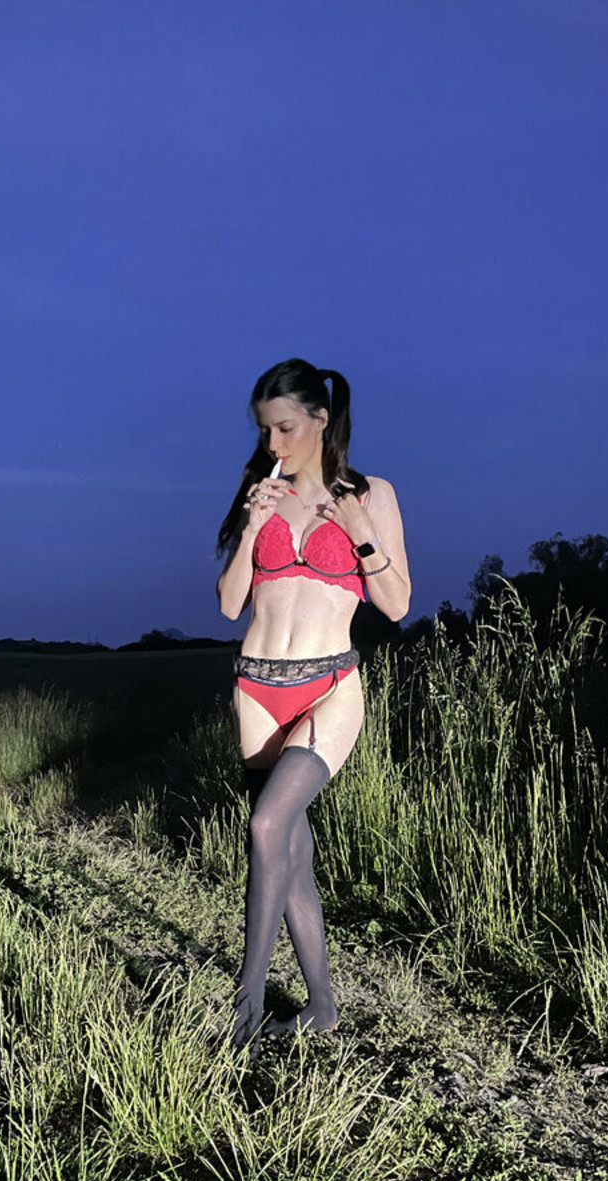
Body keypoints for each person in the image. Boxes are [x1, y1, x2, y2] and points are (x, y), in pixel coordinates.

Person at [215, 359, 411, 1050]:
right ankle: (322, 1006)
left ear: (321, 421)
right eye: (265, 431)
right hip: (256, 689)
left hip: (330, 685)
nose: (273, 444)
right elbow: (229, 604)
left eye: (286, 428)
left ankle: (244, 1008)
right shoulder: (261, 494)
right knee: (289, 850)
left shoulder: (371, 494)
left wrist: (359, 531)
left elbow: (397, 603)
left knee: (267, 824)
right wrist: (250, 528)